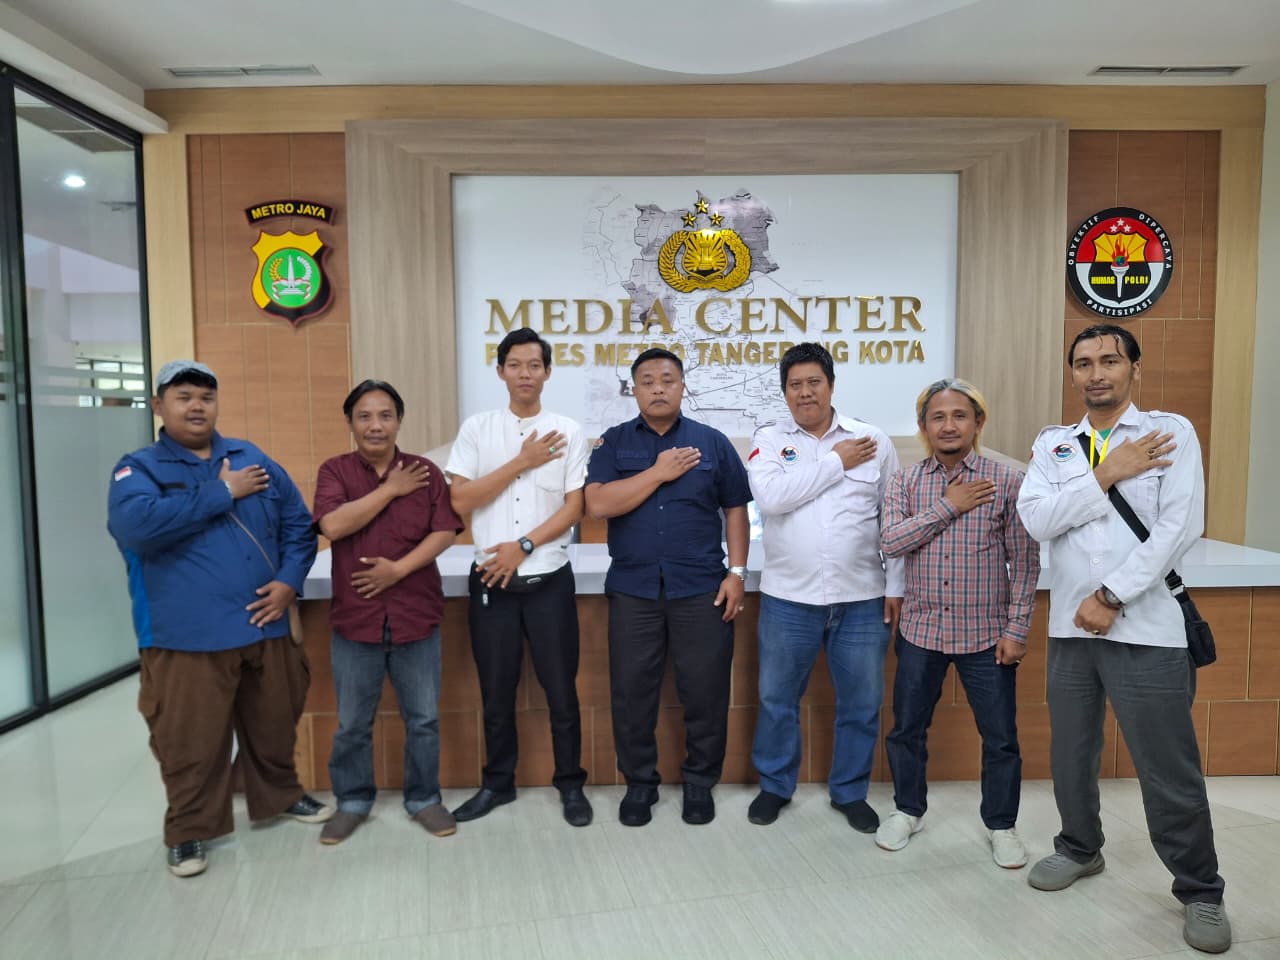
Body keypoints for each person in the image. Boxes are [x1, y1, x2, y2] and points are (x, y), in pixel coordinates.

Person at [1017, 324, 1230, 954]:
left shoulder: (1169, 432)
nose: (1096, 373)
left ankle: (1201, 889)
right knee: (1071, 753)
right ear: (1073, 373)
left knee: (1168, 768)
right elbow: (1036, 520)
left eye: (1110, 360)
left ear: (1134, 367)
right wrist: (1106, 474)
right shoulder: (1055, 445)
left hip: (1148, 628)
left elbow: (1180, 526)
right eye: (1083, 363)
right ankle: (1079, 848)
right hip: (1070, 630)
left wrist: (1110, 596)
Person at [107, 360, 329, 878]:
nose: (197, 407)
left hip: (267, 624)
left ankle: (280, 795)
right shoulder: (138, 469)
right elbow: (135, 527)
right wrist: (223, 493)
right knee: (189, 740)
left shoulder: (251, 458)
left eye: (206, 397)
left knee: (275, 723)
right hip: (187, 637)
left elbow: (299, 526)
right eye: (183, 396)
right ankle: (189, 828)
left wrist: (289, 582)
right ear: (159, 406)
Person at [585, 348, 751, 827]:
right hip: (634, 590)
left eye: (667, 379)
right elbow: (598, 504)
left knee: (706, 692)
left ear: (683, 386)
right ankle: (639, 785)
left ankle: (700, 783)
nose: (658, 388)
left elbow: (735, 508)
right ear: (633, 389)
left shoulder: (712, 443)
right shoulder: (613, 442)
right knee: (632, 694)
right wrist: (658, 472)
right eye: (647, 380)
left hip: (701, 589)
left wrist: (737, 573)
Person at [879, 378, 1040, 867]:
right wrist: (950, 505)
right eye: (938, 417)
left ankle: (1002, 825)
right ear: (923, 426)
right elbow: (891, 541)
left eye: (959, 416)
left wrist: (1017, 629)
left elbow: (1025, 563)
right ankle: (908, 810)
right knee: (907, 729)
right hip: (921, 631)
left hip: (986, 635)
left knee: (1000, 738)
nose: (948, 425)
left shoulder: (1006, 481)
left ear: (978, 422)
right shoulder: (905, 482)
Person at [745, 342, 902, 832]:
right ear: (785, 392)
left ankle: (850, 792)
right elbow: (772, 498)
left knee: (861, 703)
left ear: (831, 386)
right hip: (788, 598)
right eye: (795, 385)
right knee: (776, 700)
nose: (805, 392)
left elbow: (893, 517)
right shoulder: (770, 439)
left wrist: (896, 585)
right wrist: (836, 462)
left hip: (862, 597)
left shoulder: (871, 440)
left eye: (814, 382)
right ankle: (775, 786)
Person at [445, 329, 592, 827]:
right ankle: (497, 784)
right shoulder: (477, 429)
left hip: (549, 579)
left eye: (534, 365)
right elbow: (460, 500)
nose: (524, 373)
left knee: (561, 691)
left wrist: (524, 546)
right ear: (500, 371)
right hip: (491, 582)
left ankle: (570, 784)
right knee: (496, 693)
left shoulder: (568, 430)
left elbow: (574, 508)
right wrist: (522, 462)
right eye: (515, 364)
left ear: (547, 372)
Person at [313, 380, 462, 844]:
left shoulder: (425, 471)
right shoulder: (335, 471)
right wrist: (391, 490)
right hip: (355, 621)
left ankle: (424, 799)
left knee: (424, 720)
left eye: (385, 416)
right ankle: (353, 802)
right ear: (350, 422)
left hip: (416, 615)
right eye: (364, 416)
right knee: (353, 724)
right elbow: (333, 525)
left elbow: (445, 531)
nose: (375, 425)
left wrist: (398, 570)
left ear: (399, 420)